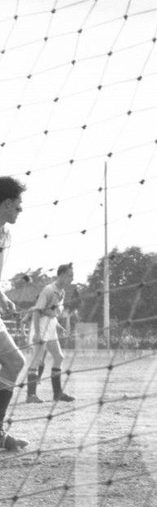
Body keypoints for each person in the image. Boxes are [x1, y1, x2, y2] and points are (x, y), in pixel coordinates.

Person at [0, 176, 30, 452]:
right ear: (7, 203)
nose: (20, 211)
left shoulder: (6, 235)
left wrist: (3, 297)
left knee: (14, 362)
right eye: (18, 206)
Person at [23, 263, 75, 404]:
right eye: (70, 276)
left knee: (59, 357)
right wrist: (37, 334)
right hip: (41, 325)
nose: (72, 279)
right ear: (62, 275)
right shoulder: (49, 290)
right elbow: (37, 311)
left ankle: (57, 394)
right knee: (36, 360)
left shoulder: (62, 292)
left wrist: (57, 325)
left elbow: (52, 312)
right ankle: (31, 395)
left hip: (51, 325)